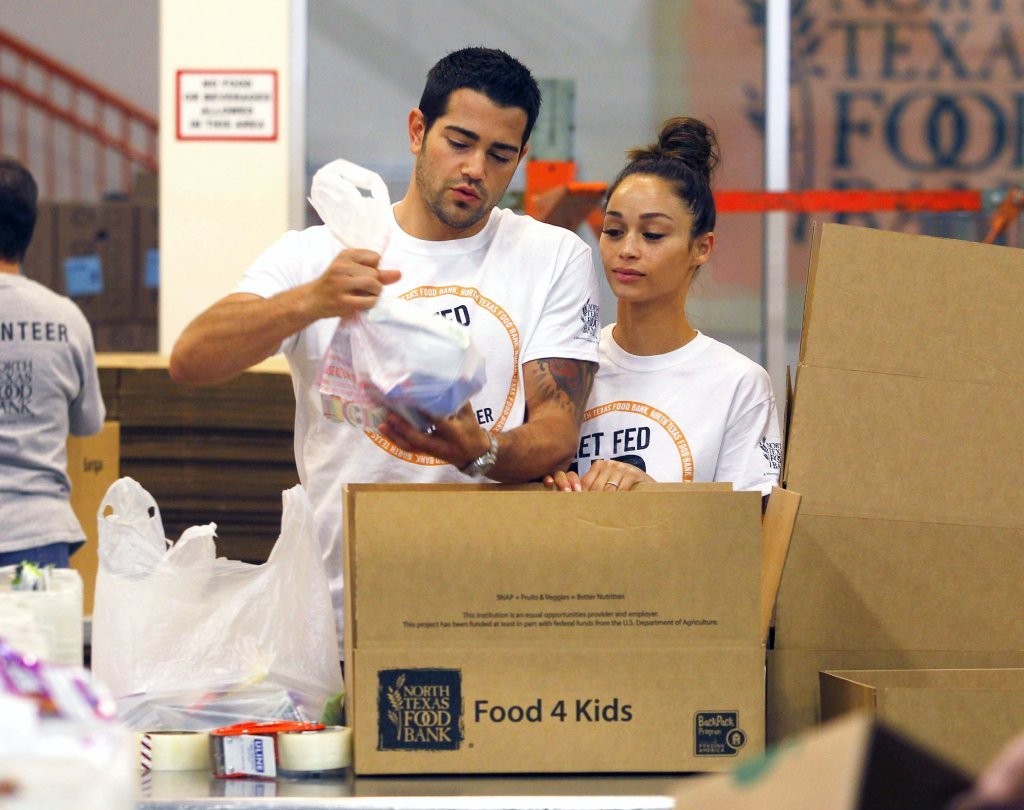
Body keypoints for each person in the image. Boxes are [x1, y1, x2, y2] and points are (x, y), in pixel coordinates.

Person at [169, 47, 601, 645]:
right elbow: (191, 359)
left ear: (521, 158)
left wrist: (479, 451)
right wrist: (312, 301)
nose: (476, 168)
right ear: (418, 130)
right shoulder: (318, 255)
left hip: (496, 612)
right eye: (460, 142)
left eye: (500, 155)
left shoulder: (552, 257)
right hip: (338, 614)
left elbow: (557, 428)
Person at [544, 117, 781, 496]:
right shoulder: (565, 364)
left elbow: (755, 529)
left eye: (653, 234)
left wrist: (657, 500)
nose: (628, 250)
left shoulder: (738, 383)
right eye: (613, 231)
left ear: (702, 248)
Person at [0, 156, 106, 568]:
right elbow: (88, 423)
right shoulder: (65, 318)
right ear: (30, 229)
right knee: (31, 636)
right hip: (39, 535)